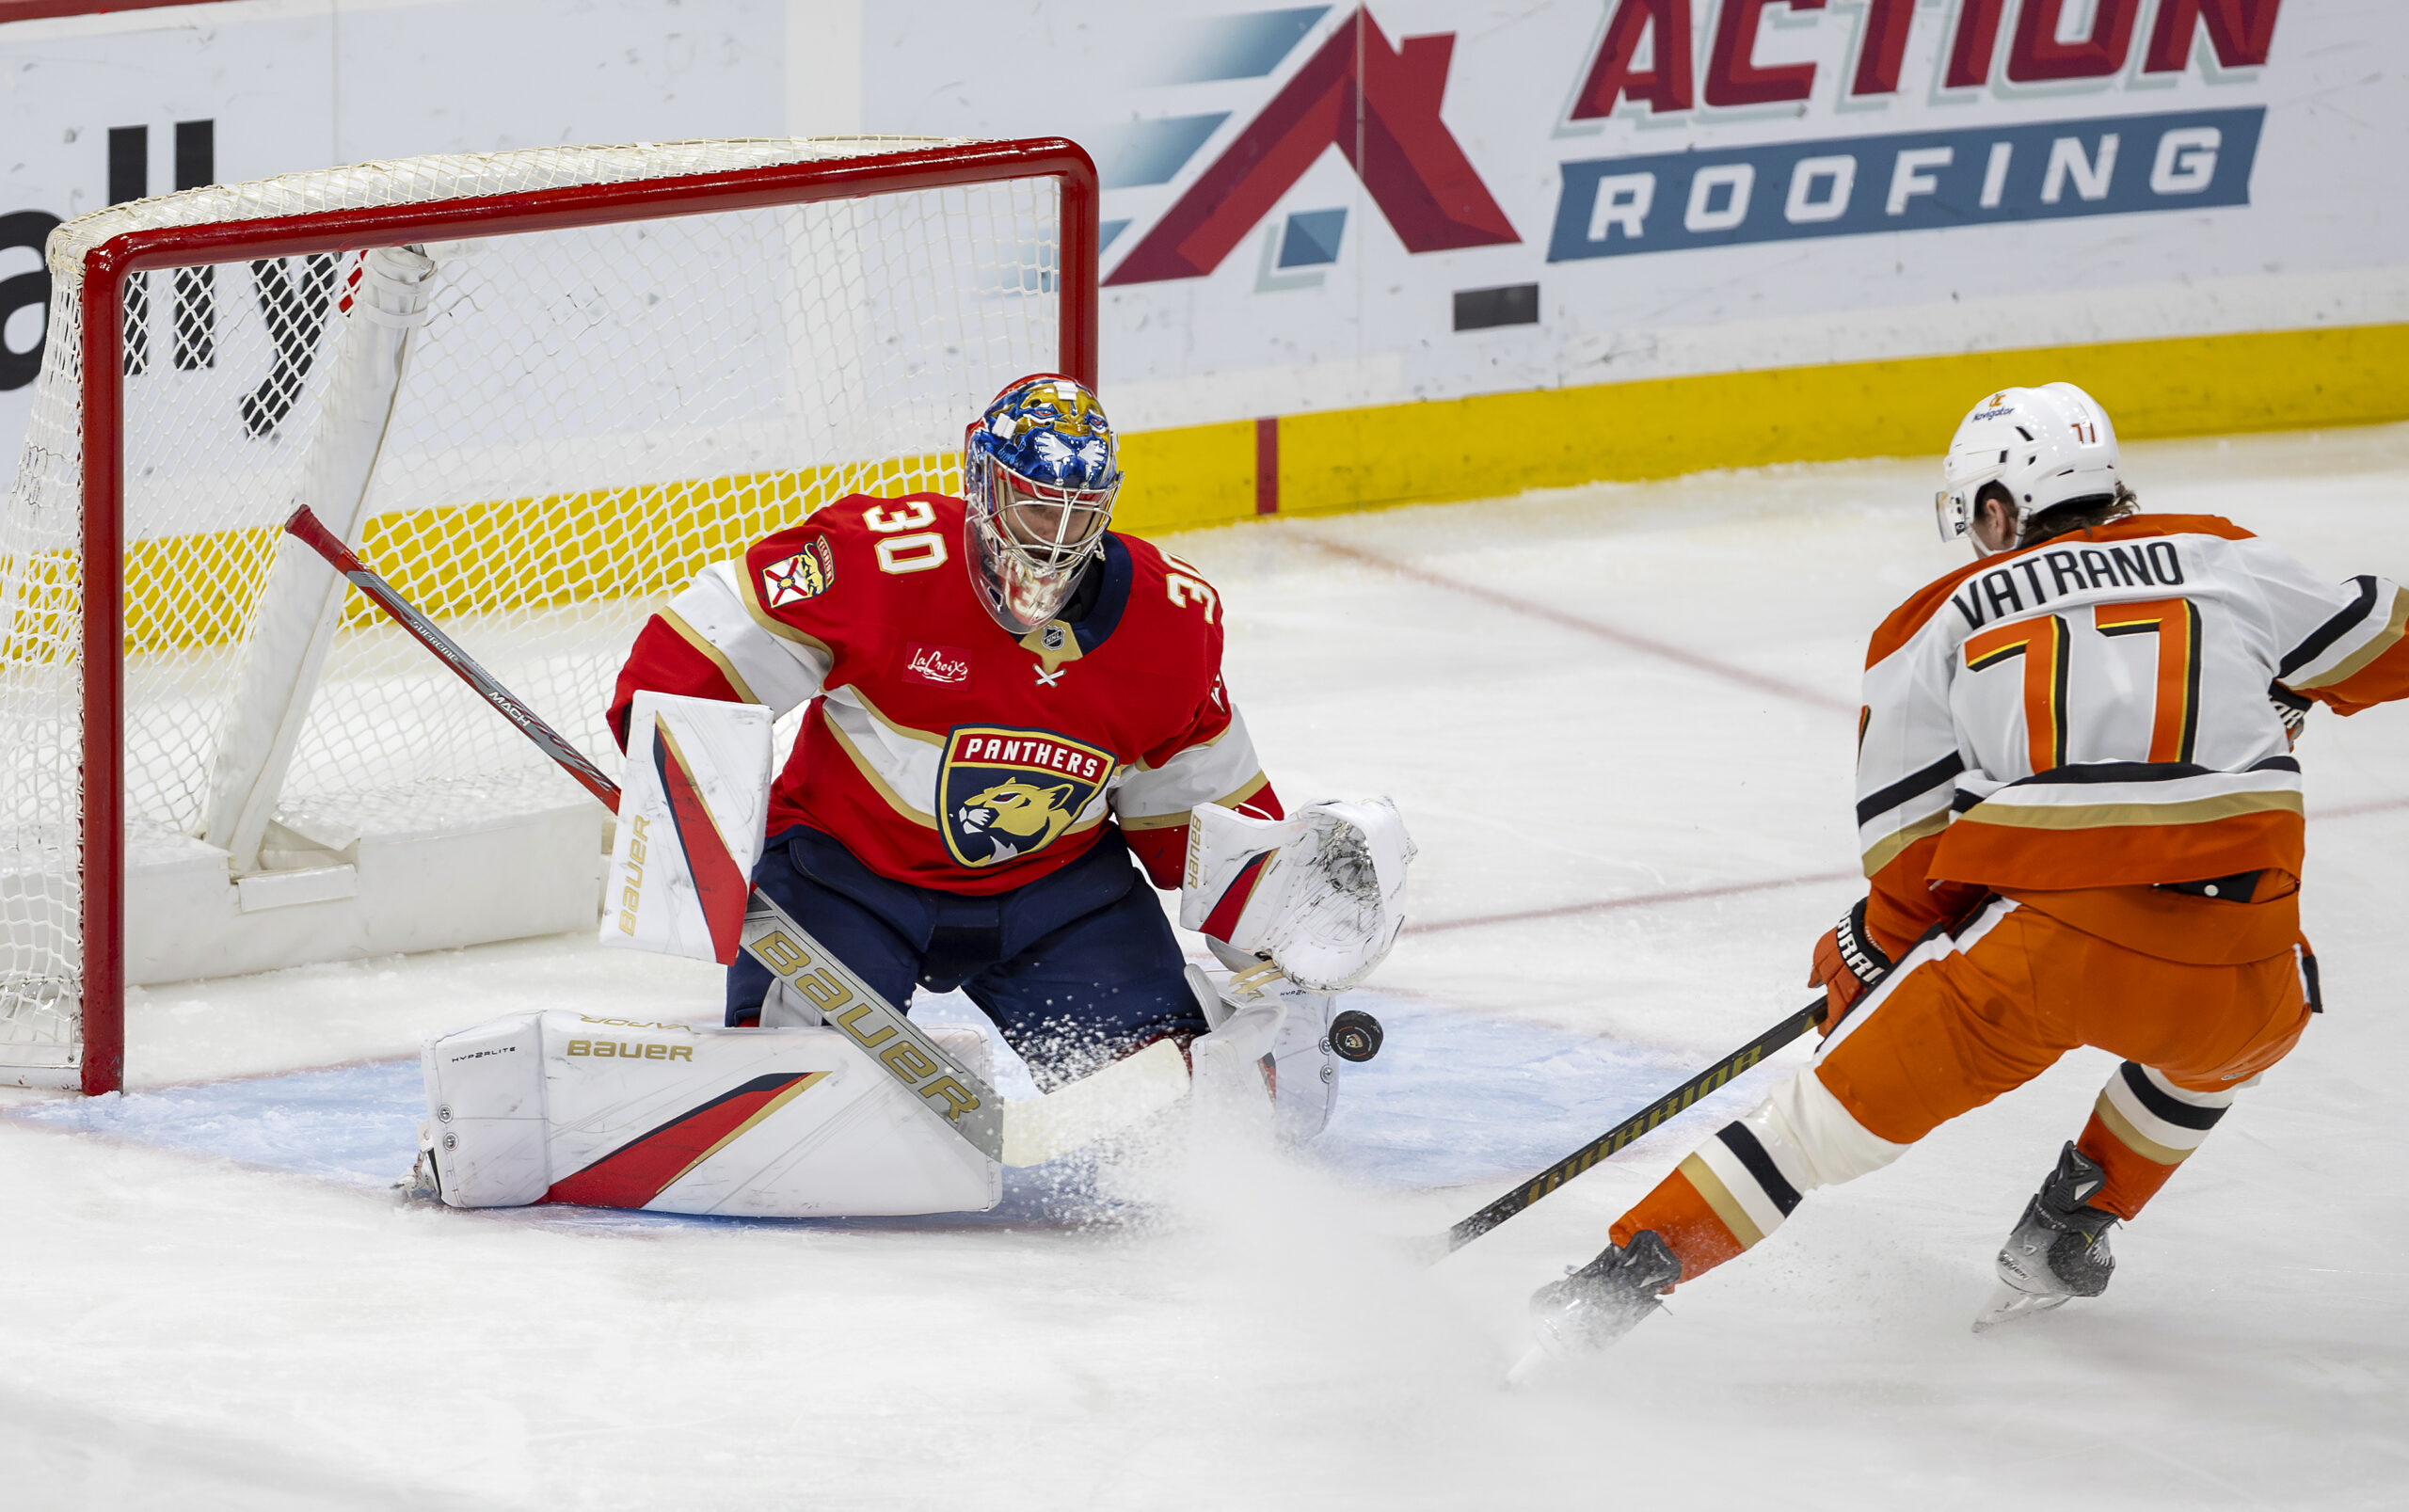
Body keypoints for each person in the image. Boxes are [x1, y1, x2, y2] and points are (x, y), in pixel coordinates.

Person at [1529, 381, 2409, 1350]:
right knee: (2227, 1041)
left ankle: (1603, 1291)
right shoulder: (2223, 553)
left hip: (2042, 962)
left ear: (2000, 506)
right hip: (2244, 975)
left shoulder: (1931, 620)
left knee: (1805, 1131)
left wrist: (1864, 955)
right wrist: (2286, 682)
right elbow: (2386, 643)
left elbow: (1910, 863)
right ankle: (2075, 1218)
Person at [606, 374, 1287, 1094]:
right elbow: (691, 665)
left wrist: (1283, 926)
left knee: (1186, 1100)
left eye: (1078, 514)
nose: (1054, 540)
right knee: (801, 1091)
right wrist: (681, 797)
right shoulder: (875, 561)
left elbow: (1206, 821)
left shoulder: (1170, 622)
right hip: (846, 874)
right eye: (1033, 504)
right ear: (983, 480)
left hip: (1057, 895)